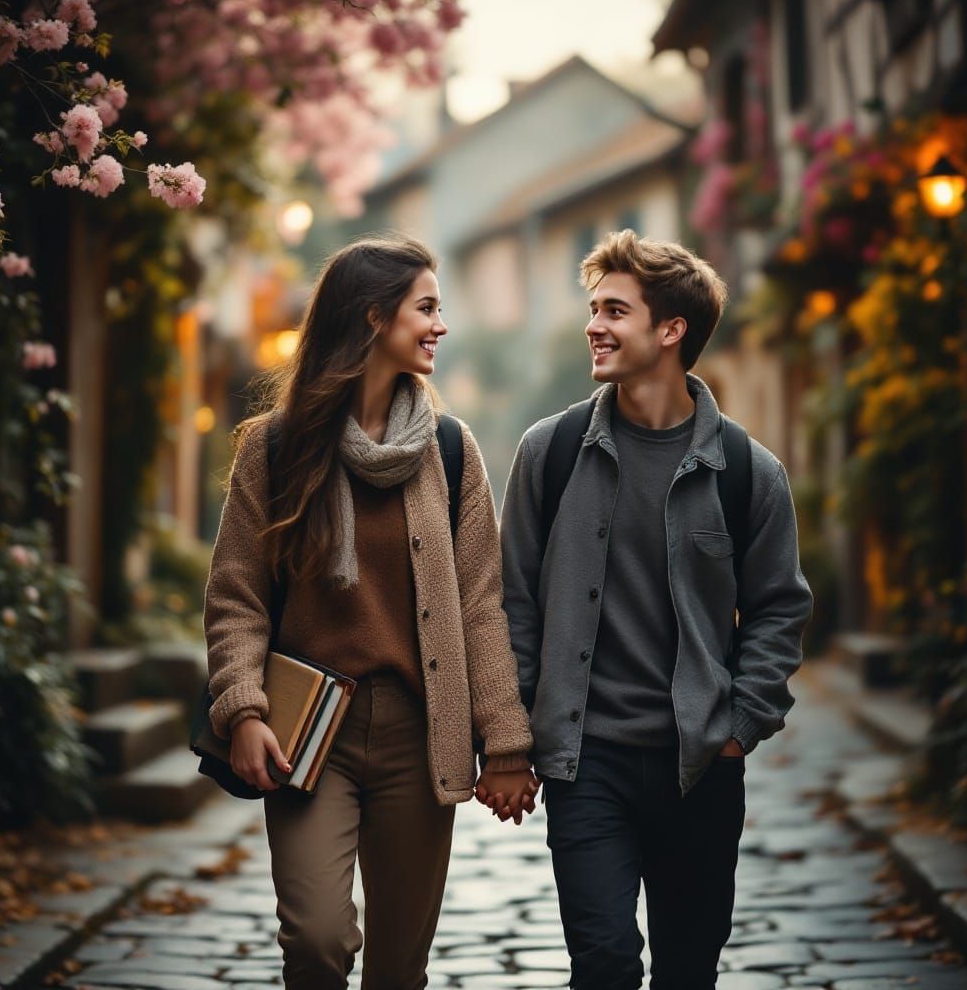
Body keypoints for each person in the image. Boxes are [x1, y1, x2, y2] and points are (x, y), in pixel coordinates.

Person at [203, 234, 537, 990]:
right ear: (372, 317)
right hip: (307, 735)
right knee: (317, 940)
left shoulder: (451, 452)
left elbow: (481, 606)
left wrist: (506, 743)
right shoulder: (275, 449)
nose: (440, 325)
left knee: (398, 968)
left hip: (420, 738)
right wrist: (243, 708)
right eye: (427, 307)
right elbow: (236, 594)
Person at [500, 230, 813, 990]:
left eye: (615, 310)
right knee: (603, 962)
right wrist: (512, 737)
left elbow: (779, 609)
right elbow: (512, 602)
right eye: (593, 307)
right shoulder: (551, 451)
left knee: (686, 971)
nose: (593, 326)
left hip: (699, 768)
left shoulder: (747, 472)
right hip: (586, 763)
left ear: (670, 331)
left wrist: (740, 726)